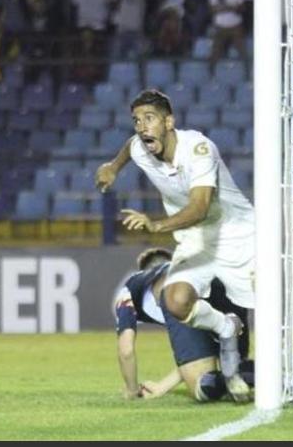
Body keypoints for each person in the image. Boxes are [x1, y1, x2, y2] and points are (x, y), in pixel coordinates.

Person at [95, 89, 254, 402]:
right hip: (196, 238)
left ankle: (288, 378)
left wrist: (156, 225)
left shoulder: (198, 149)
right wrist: (113, 167)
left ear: (169, 122)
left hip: (238, 233)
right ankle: (225, 327)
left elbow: (200, 207)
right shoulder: (141, 147)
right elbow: (130, 147)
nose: (142, 126)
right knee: (176, 300)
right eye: (136, 120)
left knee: (267, 304)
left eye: (149, 118)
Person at [115, 247, 253, 403]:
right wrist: (162, 386)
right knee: (236, 367)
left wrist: (132, 390)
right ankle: (268, 374)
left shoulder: (130, 287)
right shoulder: (185, 268)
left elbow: (126, 350)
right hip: (225, 283)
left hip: (181, 294)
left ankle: (241, 378)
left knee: (203, 385)